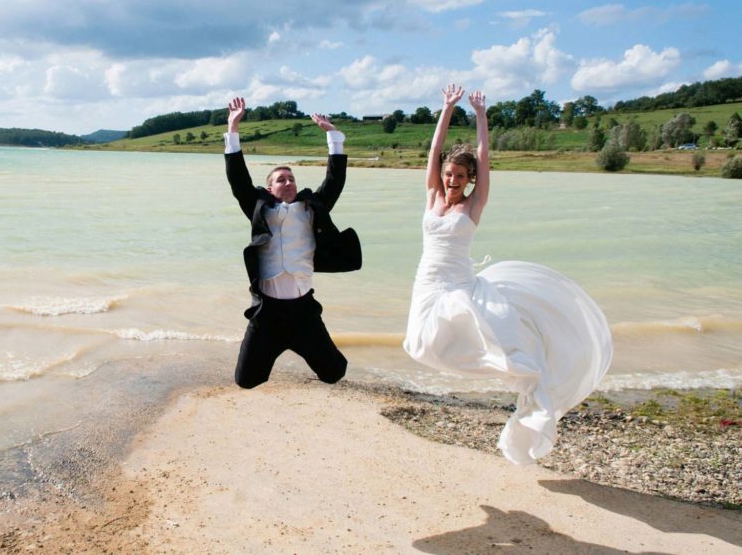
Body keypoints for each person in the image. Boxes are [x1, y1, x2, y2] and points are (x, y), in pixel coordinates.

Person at [404, 84, 613, 464]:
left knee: (479, 337)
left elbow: (485, 157)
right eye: (449, 174)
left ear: (469, 179)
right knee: (419, 343)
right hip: (427, 280)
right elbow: (434, 151)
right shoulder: (432, 195)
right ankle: (507, 365)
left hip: (458, 283)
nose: (452, 180)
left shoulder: (473, 206)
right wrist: (447, 108)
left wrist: (482, 115)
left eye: (460, 176)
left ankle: (526, 375)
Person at [224, 96, 362, 389]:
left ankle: (302, 349)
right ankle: (275, 349)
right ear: (270, 188)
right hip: (267, 314)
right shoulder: (259, 209)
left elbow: (334, 181)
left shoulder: (311, 208)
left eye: (291, 179)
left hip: (303, 312)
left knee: (334, 373)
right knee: (245, 381)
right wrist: (233, 127)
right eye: (281, 179)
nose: (288, 183)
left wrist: (333, 137)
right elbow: (238, 180)